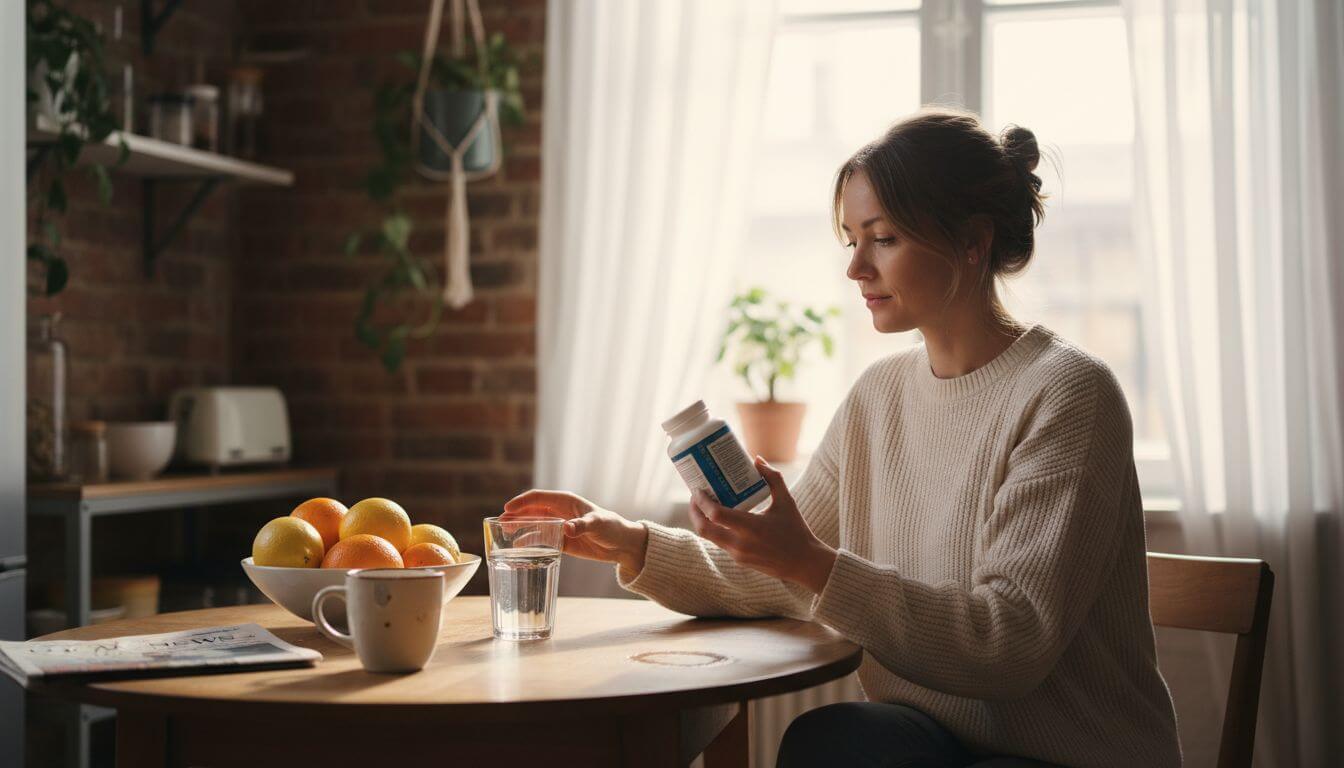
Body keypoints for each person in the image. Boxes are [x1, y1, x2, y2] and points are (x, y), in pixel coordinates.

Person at [504, 109, 1182, 767]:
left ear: (972, 242)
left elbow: (1010, 644)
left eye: (882, 238)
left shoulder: (1066, 392)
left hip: (1067, 755)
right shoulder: (877, 398)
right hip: (933, 739)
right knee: (831, 741)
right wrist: (629, 540)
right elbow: (774, 576)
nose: (856, 267)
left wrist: (814, 566)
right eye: (852, 239)